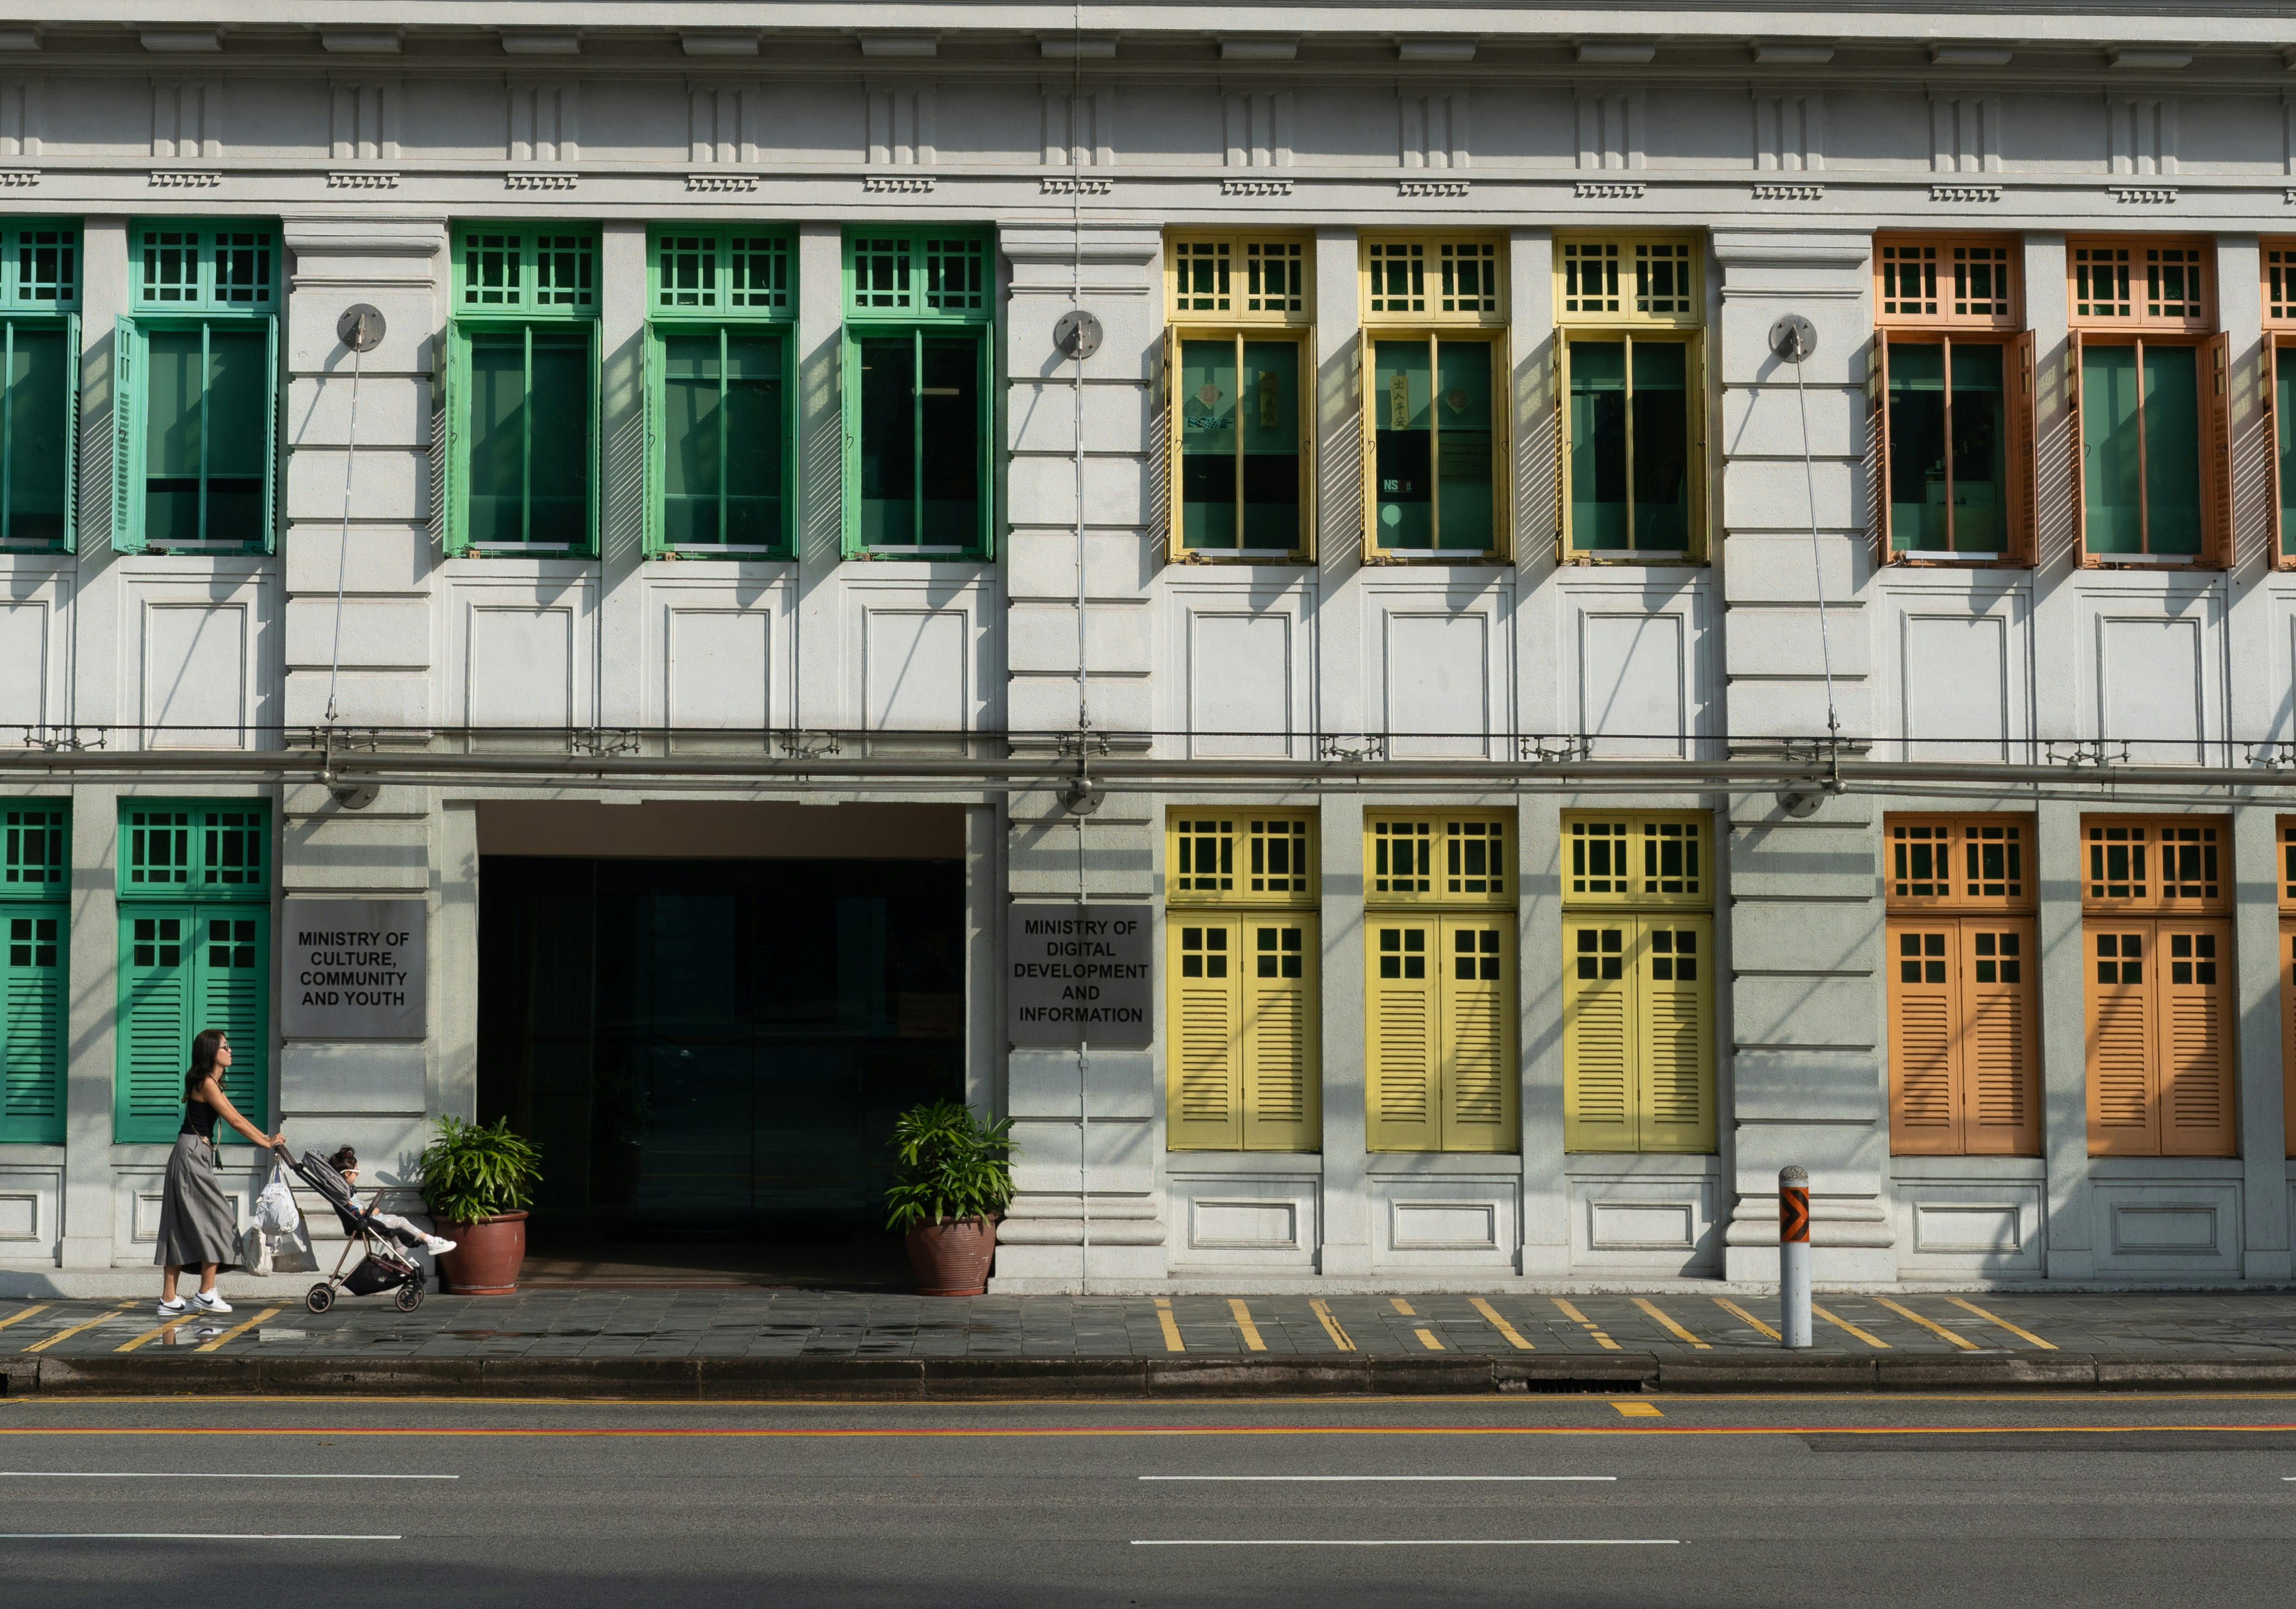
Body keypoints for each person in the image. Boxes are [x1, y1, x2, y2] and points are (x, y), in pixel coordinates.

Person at [155, 1029, 283, 1319]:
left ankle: (169, 1298)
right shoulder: (207, 1083)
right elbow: (235, 1119)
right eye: (225, 1046)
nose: (230, 1050)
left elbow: (233, 1118)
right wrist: (267, 1142)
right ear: (212, 1052)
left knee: (179, 1225)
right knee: (219, 1220)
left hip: (191, 1153)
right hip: (191, 1155)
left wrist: (267, 1139)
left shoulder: (208, 1081)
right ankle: (206, 1293)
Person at [328, 1146, 457, 1257]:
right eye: (357, 1172)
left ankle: (401, 1261)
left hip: (366, 1220)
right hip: (364, 1221)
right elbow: (352, 1212)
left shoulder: (343, 1191)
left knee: (394, 1231)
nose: (358, 1175)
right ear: (347, 1173)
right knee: (401, 1221)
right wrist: (369, 1211)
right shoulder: (343, 1194)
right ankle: (431, 1242)